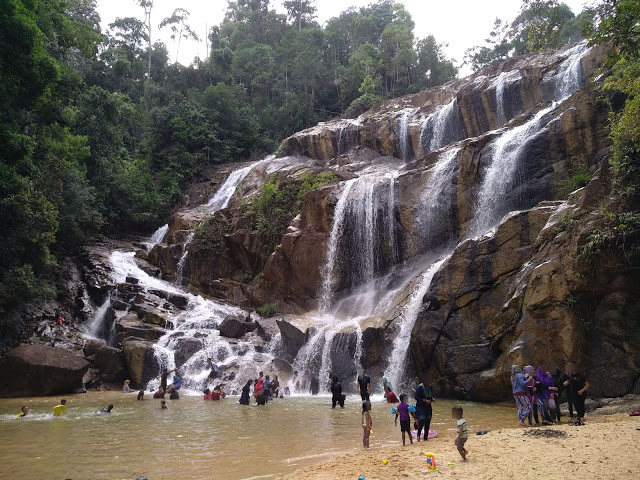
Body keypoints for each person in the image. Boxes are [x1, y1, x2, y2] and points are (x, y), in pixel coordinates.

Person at [415, 376, 434, 441]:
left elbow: (430, 396)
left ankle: (425, 437)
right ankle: (418, 435)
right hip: (421, 406)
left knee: (428, 421)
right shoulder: (420, 387)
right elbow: (416, 397)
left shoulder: (430, 387)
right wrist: (424, 400)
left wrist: (432, 399)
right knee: (422, 420)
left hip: (428, 407)